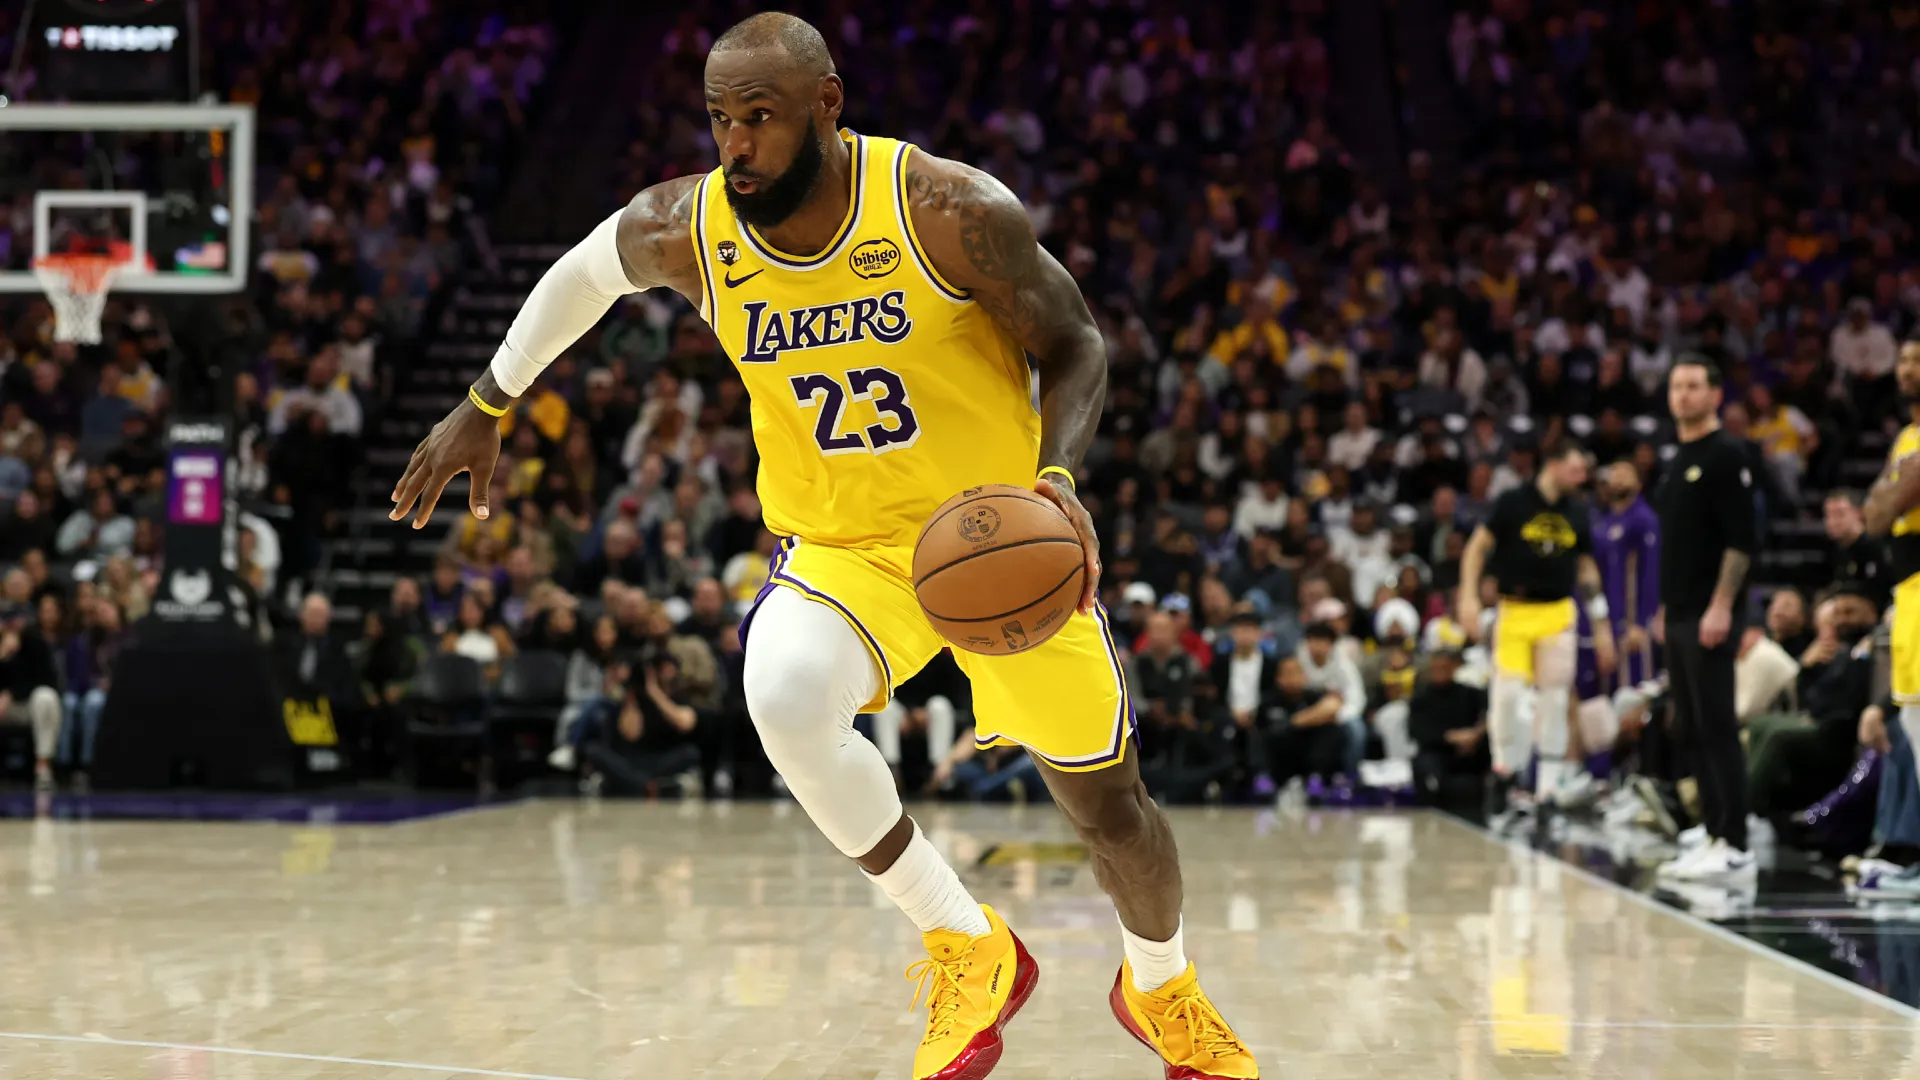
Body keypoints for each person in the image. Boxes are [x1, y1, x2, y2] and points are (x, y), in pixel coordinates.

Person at [384, 14, 1257, 1080]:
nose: (737, 145)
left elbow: (1075, 343)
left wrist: (1058, 482)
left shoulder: (944, 208)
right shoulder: (693, 227)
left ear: (828, 107)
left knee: (1113, 812)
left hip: (994, 536)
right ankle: (965, 943)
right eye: (719, 120)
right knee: (783, 694)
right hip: (845, 549)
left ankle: (1161, 987)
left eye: (761, 118)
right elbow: (582, 273)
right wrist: (489, 399)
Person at [1457, 440, 1616, 821]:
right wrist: (1467, 596)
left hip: (1558, 612)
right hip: (1514, 609)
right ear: (1555, 465)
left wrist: (1601, 622)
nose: (1583, 478)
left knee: (1555, 700)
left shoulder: (1578, 510)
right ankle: (1504, 774)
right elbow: (1477, 547)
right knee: (1508, 696)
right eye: (1577, 469)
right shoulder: (1513, 501)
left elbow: (1586, 568)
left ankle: (1546, 789)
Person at [1652, 357, 1759, 882]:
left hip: (1710, 612)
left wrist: (1721, 605)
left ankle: (1734, 841)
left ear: (1715, 394)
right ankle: (1713, 824)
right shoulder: (1678, 458)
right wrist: (1664, 607)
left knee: (1717, 725)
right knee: (1691, 724)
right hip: (1679, 610)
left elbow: (1741, 541)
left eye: (1694, 386)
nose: (1684, 395)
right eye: (1677, 386)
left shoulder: (1726, 455)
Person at [1864, 342, 1920, 778]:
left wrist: (1893, 489)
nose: (1907, 369)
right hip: (1906, 592)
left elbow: (1884, 507)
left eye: (1917, 361)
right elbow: (1874, 516)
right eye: (1902, 360)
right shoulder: (1906, 439)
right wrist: (1898, 486)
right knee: (1913, 722)